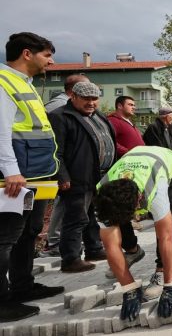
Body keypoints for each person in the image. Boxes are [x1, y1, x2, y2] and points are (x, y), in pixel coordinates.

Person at [0, 32, 64, 322]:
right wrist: (10, 170)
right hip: (16, 177)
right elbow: (1, 132)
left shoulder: (24, 83)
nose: (50, 61)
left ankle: (22, 286)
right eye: (47, 55)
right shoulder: (3, 82)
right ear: (27, 54)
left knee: (28, 231)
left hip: (35, 174)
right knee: (6, 237)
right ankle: (3, 302)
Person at [95, 146, 172, 322]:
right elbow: (110, 245)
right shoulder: (103, 194)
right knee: (115, 227)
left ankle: (161, 269)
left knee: (165, 225)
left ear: (138, 202)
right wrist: (129, 289)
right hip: (132, 160)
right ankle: (133, 251)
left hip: (166, 160)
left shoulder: (155, 189)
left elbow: (166, 238)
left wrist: (170, 286)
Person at [49, 81, 114, 272]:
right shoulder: (60, 117)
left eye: (94, 99)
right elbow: (55, 151)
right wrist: (62, 176)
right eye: (86, 99)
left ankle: (93, 248)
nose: (91, 103)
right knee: (75, 218)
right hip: (77, 177)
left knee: (91, 216)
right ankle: (70, 259)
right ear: (73, 97)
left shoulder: (97, 116)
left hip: (97, 176)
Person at [40, 73, 90, 257]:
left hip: (77, 166)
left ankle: (66, 241)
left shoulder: (75, 106)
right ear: (74, 91)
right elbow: (56, 145)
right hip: (67, 167)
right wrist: (62, 172)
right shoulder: (59, 107)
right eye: (86, 88)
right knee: (64, 205)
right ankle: (55, 242)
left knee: (74, 208)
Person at [104, 95, 147, 277]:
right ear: (119, 106)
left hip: (133, 170)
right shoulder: (113, 121)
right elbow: (112, 143)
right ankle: (127, 251)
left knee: (127, 210)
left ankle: (130, 248)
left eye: (134, 104)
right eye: (130, 104)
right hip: (121, 170)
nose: (134, 107)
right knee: (116, 213)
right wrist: (128, 152)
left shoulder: (128, 122)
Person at [143, 106, 172, 216]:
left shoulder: (168, 127)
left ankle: (169, 209)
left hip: (168, 161)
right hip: (158, 162)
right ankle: (156, 212)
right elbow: (158, 145)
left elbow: (171, 144)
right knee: (159, 188)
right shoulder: (153, 127)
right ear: (166, 116)